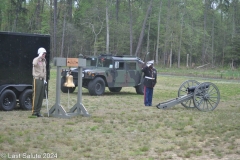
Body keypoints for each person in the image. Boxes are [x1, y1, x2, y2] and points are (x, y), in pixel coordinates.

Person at [32, 47, 47, 117]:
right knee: (36, 96)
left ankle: (38, 111)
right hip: (37, 79)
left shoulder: (44, 61)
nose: (44, 55)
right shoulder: (36, 59)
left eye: (45, 53)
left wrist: (45, 79)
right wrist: (39, 57)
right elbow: (34, 64)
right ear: (40, 53)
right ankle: (34, 111)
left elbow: (45, 71)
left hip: (42, 80)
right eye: (43, 53)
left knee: (41, 96)